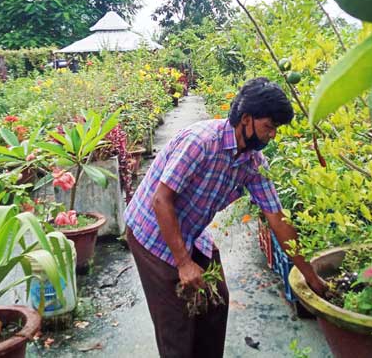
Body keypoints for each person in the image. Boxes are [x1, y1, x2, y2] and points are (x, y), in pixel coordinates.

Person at [124, 77, 329, 358]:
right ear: (246, 119)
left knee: (215, 304)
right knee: (177, 326)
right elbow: (161, 200)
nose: (272, 136)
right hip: (153, 233)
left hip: (192, 231)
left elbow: (277, 219)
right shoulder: (201, 142)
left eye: (275, 129)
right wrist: (183, 263)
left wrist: (311, 277)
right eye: (269, 127)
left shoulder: (253, 163)